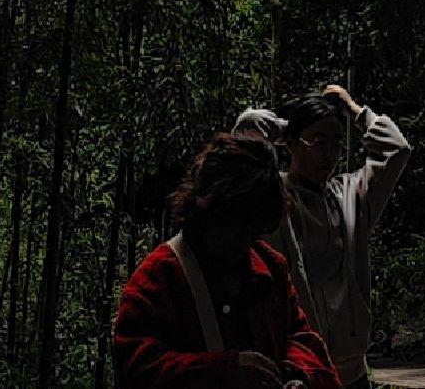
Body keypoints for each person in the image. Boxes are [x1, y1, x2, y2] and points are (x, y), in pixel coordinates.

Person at [115, 131, 341, 389]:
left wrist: (297, 374)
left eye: (253, 227)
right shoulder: (159, 277)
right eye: (236, 224)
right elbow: (136, 369)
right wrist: (222, 370)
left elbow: (302, 339)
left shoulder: (269, 267)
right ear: (210, 210)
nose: (244, 240)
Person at [271, 83, 410, 389]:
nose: (330, 155)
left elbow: (397, 149)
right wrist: (289, 125)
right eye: (319, 143)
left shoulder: (350, 196)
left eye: (337, 145)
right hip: (300, 372)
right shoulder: (273, 198)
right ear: (291, 144)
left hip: (353, 372)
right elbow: (243, 138)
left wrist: (354, 110)